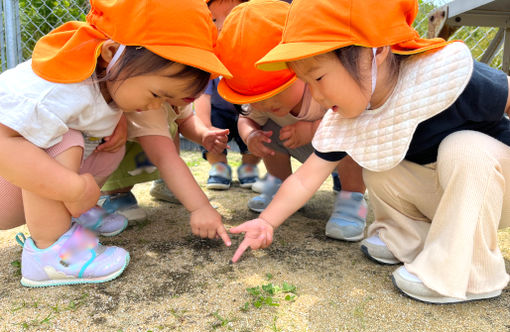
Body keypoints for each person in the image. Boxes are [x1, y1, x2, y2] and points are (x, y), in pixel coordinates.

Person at [230, 0, 510, 304]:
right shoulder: (351, 115)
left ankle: (466, 272)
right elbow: (304, 178)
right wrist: (267, 222)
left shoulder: (440, 73)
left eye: (319, 78)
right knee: (380, 167)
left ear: (373, 51)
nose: (318, 95)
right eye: (308, 83)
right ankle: (409, 240)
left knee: (464, 147)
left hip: (494, 187)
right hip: (446, 192)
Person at [0, 0, 232, 287]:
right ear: (111, 53)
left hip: (22, 184)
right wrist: (73, 189)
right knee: (65, 138)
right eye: (157, 94)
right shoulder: (59, 86)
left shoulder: (103, 84)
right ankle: (50, 253)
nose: (154, 107)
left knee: (110, 145)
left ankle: (73, 219)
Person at [215, 0, 366, 240]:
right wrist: (251, 135)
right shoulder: (262, 104)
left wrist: (312, 129)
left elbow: (352, 120)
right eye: (256, 98)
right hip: (299, 147)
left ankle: (352, 198)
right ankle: (279, 185)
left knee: (349, 143)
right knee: (267, 132)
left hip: (337, 148)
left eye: (275, 91)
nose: (265, 104)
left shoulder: (323, 89)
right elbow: (247, 120)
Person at [193, 0, 260, 191]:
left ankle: (249, 165)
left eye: (232, 17)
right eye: (214, 19)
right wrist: (206, 128)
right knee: (209, 131)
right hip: (218, 112)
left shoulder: (254, 51)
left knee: (256, 129)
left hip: (248, 111)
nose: (221, 26)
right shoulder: (209, 57)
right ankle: (219, 165)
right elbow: (202, 95)